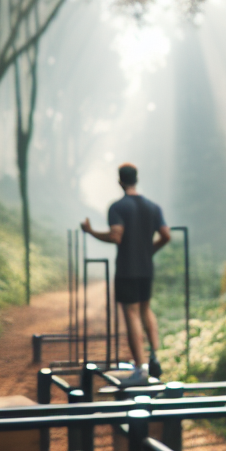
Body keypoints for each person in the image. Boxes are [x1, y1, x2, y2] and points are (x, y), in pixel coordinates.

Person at [82, 163, 170, 385]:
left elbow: (116, 236)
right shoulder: (153, 207)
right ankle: (155, 359)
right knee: (145, 309)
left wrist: (91, 231)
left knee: (131, 314)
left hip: (127, 269)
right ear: (136, 180)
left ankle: (140, 368)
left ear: (120, 181)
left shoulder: (117, 207)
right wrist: (150, 250)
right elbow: (166, 235)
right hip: (146, 269)